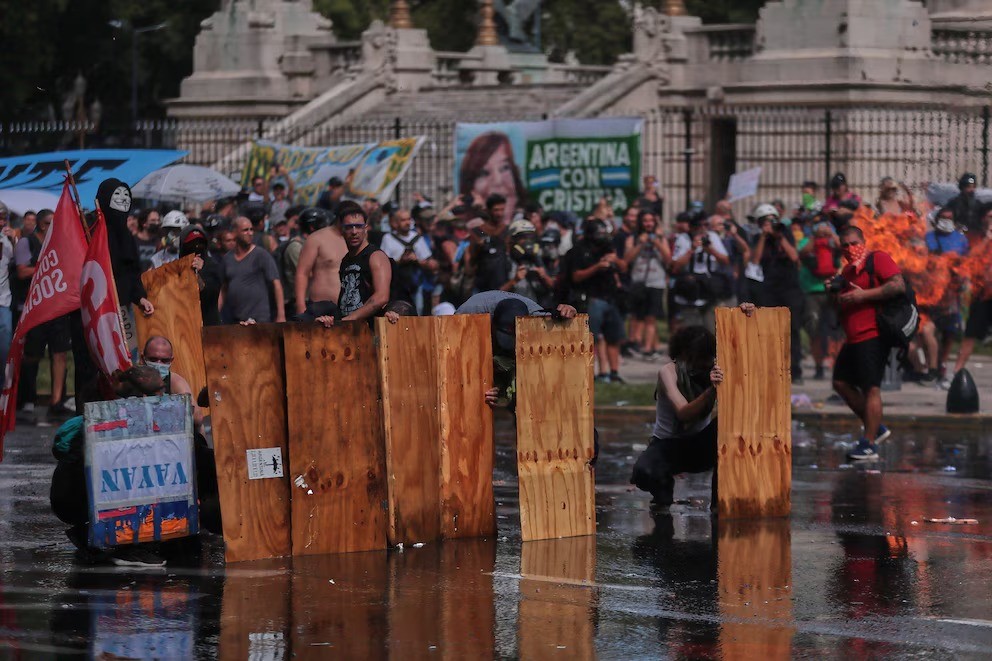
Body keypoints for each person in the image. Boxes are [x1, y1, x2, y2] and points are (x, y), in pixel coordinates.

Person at [629, 303, 755, 511]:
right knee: (644, 472)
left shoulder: (714, 370)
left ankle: (719, 504)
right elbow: (683, 413)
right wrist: (712, 390)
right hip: (668, 445)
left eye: (707, 359)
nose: (703, 365)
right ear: (684, 355)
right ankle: (662, 493)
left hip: (699, 445)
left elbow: (745, 352)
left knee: (725, 425)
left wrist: (745, 315)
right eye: (698, 360)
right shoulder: (669, 372)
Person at [831, 225, 904, 461]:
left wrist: (864, 295)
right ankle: (876, 427)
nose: (850, 248)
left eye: (854, 243)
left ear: (863, 241)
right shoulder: (847, 271)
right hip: (853, 337)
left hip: (873, 335)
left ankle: (869, 444)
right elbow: (843, 303)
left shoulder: (877, 259)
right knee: (840, 383)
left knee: (871, 388)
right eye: (845, 245)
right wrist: (835, 292)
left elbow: (897, 285)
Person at [455, 291, 577, 411]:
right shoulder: (469, 313)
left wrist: (570, 311)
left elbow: (570, 327)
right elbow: (454, 357)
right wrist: (476, 387)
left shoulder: (538, 318)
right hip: (477, 337)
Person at [14, 208, 73, 424]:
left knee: (60, 354)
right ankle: (27, 399)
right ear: (42, 225)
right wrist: (48, 266)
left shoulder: (60, 244)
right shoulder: (26, 243)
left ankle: (56, 403)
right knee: (32, 355)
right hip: (35, 307)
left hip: (57, 307)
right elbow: (22, 271)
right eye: (51, 224)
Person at [565, 218, 627, 382]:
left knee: (613, 337)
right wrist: (597, 267)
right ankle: (590, 373)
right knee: (591, 338)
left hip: (610, 298)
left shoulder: (608, 247)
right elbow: (576, 276)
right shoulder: (579, 250)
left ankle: (614, 373)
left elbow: (623, 267)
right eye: (600, 233)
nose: (603, 236)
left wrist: (615, 260)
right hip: (591, 298)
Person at [748, 204, 804, 383]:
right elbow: (755, 260)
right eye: (766, 221)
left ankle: (795, 370)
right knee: (770, 329)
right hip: (770, 288)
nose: (770, 224)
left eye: (772, 220)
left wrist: (780, 237)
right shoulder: (758, 237)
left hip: (790, 288)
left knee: (792, 329)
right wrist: (764, 236)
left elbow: (794, 257)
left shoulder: (785, 233)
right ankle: (773, 368)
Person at [315, 201, 391, 325]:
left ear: (365, 228)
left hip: (368, 328)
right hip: (348, 327)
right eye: (349, 227)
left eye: (358, 226)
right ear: (341, 230)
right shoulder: (346, 260)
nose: (354, 231)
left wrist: (350, 319)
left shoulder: (375, 256)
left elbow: (381, 297)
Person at [669, 213, 730, 332]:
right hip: (689, 289)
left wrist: (710, 249)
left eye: (706, 225)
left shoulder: (712, 236)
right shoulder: (683, 238)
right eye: (699, 225)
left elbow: (725, 261)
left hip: (708, 287)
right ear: (691, 227)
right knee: (691, 329)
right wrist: (691, 249)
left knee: (710, 328)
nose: (702, 228)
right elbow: (676, 266)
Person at [219, 217, 286, 324]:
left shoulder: (261, 255)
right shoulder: (228, 259)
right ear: (235, 233)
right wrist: (216, 314)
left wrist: (281, 315)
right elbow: (223, 289)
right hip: (236, 319)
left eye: (251, 229)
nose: (250, 233)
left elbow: (276, 284)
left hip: (259, 319)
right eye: (245, 230)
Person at [624, 210, 671, 360]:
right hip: (638, 281)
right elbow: (627, 259)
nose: (648, 224)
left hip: (656, 282)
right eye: (645, 220)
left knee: (651, 317)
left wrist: (657, 242)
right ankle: (635, 343)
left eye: (651, 221)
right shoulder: (633, 238)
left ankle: (648, 348)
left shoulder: (661, 238)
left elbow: (668, 259)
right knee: (637, 315)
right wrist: (640, 244)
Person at [952, 207, 992, 376]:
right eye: (990, 216)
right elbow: (971, 259)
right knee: (970, 334)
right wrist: (988, 238)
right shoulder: (975, 237)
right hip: (982, 295)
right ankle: (957, 371)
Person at [459, 132, 525, 224]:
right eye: (484, 173)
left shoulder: (527, 222)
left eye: (505, 167)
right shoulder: (470, 227)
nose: (498, 181)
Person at [294, 204, 348, 316]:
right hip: (320, 309)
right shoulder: (314, 239)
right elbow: (302, 273)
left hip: (349, 309)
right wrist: (300, 306)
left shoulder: (354, 240)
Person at [379, 207, 435, 311]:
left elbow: (429, 262)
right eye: (403, 220)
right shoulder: (388, 238)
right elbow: (383, 263)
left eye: (409, 219)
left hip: (415, 284)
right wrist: (400, 261)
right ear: (396, 222)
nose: (407, 222)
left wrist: (416, 260)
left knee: (418, 310)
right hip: (396, 285)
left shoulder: (417, 238)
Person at [503, 219, 556, 309]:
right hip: (515, 310)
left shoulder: (540, 258)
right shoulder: (505, 260)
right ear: (513, 240)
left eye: (530, 237)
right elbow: (494, 294)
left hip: (539, 311)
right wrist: (514, 280)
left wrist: (544, 276)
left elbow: (556, 288)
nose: (528, 241)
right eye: (523, 237)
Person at [179, 225, 223, 327]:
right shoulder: (176, 268)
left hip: (208, 323)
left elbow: (210, 295)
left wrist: (199, 273)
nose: (197, 247)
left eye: (200, 244)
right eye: (191, 244)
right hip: (184, 324)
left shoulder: (213, 266)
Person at [945, 172, 983, 237]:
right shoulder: (953, 203)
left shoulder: (978, 204)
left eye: (973, 187)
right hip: (957, 236)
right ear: (962, 187)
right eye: (968, 187)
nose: (972, 190)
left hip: (975, 236)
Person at [0, 203, 14, 370]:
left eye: (4, 218)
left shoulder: (7, 240)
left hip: (4, 300)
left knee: (4, 347)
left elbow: (17, 263)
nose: (2, 222)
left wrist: (14, 240)